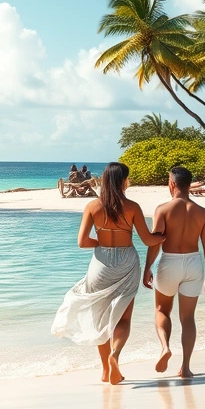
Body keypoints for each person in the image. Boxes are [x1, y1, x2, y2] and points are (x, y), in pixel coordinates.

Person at [52, 161, 165, 384]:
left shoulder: (93, 206)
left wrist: (102, 243)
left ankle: (106, 370)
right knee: (123, 318)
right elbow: (147, 240)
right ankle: (116, 355)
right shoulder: (132, 207)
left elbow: (82, 242)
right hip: (126, 262)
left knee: (99, 320)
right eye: (128, 179)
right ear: (123, 181)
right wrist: (163, 236)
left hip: (100, 264)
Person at [143, 165, 205, 379]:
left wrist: (147, 267)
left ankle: (165, 347)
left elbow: (156, 242)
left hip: (169, 262)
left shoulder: (163, 209)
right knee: (188, 318)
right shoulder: (202, 212)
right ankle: (186, 368)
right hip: (194, 262)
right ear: (189, 185)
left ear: (172, 184)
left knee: (162, 310)